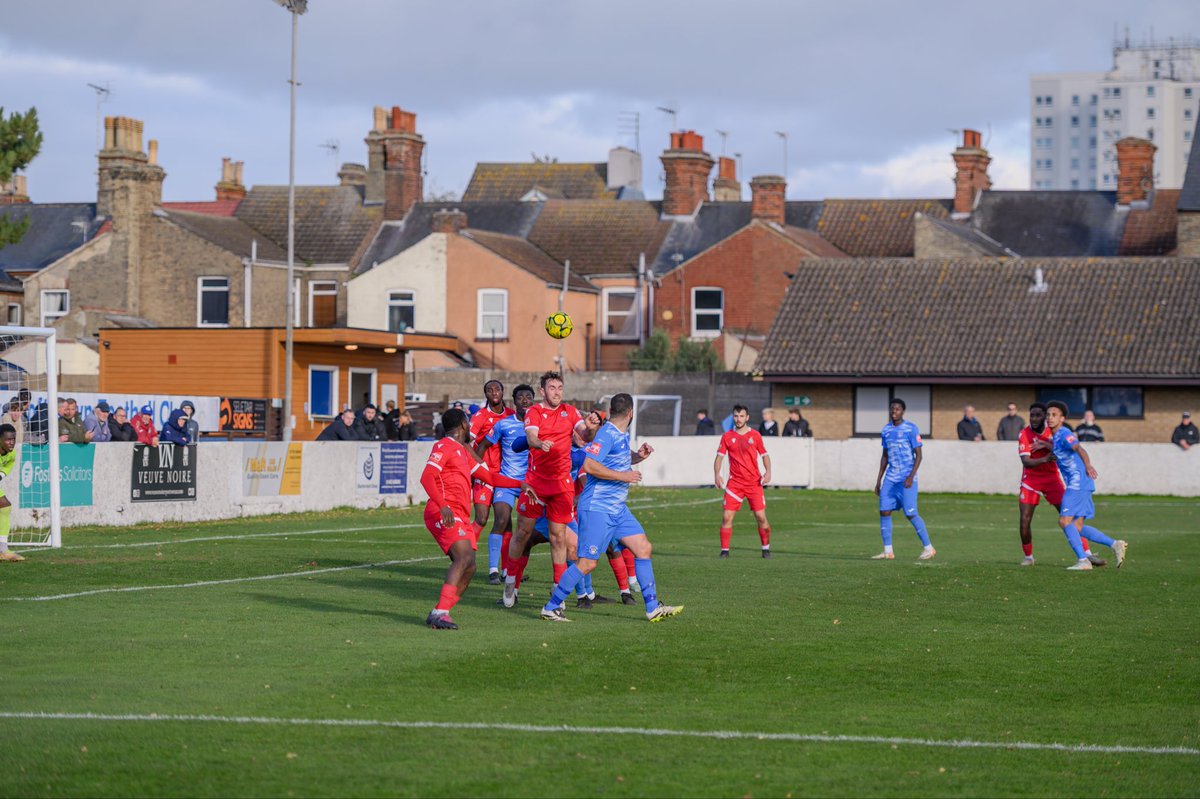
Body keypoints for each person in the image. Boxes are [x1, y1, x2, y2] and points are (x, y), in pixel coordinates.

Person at [540, 393, 682, 623]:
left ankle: (652, 607)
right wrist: (623, 476)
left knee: (643, 548)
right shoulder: (606, 434)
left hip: (617, 509)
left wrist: (638, 457)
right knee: (587, 562)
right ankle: (551, 606)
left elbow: (617, 461)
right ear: (631, 413)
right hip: (598, 507)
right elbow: (590, 465)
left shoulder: (620, 434)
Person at [418, 408, 525, 630]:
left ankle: (440, 611)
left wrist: (520, 484)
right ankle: (440, 612)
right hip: (444, 511)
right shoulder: (444, 446)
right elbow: (427, 477)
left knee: (471, 566)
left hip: (458, 513)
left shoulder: (463, 452)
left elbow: (489, 477)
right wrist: (443, 505)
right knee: (464, 557)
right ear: (464, 425)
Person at [502, 371, 593, 609]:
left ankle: (557, 590)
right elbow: (530, 436)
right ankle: (511, 579)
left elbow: (584, 434)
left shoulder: (570, 412)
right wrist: (540, 443)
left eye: (560, 388)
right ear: (543, 391)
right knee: (522, 534)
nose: (557, 392)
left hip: (561, 485)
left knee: (558, 538)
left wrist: (591, 429)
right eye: (552, 388)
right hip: (535, 484)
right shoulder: (534, 412)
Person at [1015, 403, 1103, 567]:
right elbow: (1026, 462)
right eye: (1032, 415)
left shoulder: (1054, 431)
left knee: (1069, 518)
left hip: (1052, 480)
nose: (1034, 419)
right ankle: (1029, 557)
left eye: (1039, 415)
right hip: (1031, 481)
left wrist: (1086, 465)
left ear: (1045, 417)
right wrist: (1045, 459)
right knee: (1024, 520)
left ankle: (1087, 555)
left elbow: (1066, 447)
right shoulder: (1024, 434)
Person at [1045, 401, 1127, 570]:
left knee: (1064, 521)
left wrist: (1088, 465)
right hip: (1083, 484)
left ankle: (1083, 561)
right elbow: (1062, 452)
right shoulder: (1056, 438)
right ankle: (1114, 544)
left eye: (1054, 415)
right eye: (1048, 415)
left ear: (1062, 419)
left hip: (1078, 483)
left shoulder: (1064, 432)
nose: (1050, 418)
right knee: (1077, 526)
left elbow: (1078, 448)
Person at [478, 384, 536, 585]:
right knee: (501, 520)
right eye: (520, 397)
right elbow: (483, 445)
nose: (525, 400)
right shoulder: (504, 424)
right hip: (507, 482)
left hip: (532, 485)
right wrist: (475, 470)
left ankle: (511, 572)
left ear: (533, 400)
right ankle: (494, 570)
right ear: (514, 400)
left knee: (527, 532)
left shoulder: (539, 426)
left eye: (528, 397)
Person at [872, 398, 936, 561]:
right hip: (890, 478)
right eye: (892, 408)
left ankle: (929, 548)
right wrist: (879, 480)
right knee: (884, 511)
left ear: (903, 411)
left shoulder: (911, 429)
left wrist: (911, 476)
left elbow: (919, 455)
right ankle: (888, 551)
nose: (894, 411)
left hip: (907, 478)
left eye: (897, 409)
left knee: (910, 513)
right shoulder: (886, 430)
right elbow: (884, 456)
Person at [713, 404, 773, 558]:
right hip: (735, 484)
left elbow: (765, 455)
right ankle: (724, 551)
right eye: (736, 416)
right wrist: (717, 474)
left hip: (754, 483)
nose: (738, 419)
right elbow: (719, 457)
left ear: (747, 417)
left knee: (761, 517)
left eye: (741, 416)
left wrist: (768, 472)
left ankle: (765, 548)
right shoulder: (727, 436)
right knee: (727, 517)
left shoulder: (755, 436)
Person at [468, 379, 513, 535]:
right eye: (490, 390)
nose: (494, 392)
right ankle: (465, 554)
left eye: (497, 389)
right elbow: (465, 442)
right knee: (481, 518)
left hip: (505, 473)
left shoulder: (511, 415)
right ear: (485, 394)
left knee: (505, 521)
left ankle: (507, 560)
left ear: (502, 392)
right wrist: (478, 465)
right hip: (484, 474)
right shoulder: (480, 416)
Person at [0, 424, 23, 562]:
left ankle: (2, 549)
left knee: (5, 506)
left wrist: (1, 474)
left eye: (13, 439)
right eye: (8, 439)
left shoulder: (11, 453)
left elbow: (9, 464)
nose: (12, 442)